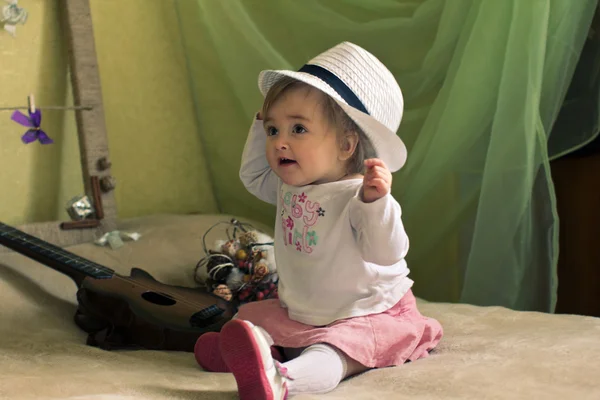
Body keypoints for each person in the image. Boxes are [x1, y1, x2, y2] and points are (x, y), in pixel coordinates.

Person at [194, 42, 443, 400]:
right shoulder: (288, 184)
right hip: (306, 308)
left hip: (366, 311)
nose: (280, 143)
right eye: (273, 130)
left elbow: (388, 252)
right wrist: (260, 121)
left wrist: (377, 204)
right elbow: (252, 175)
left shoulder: (358, 194)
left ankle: (282, 379)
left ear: (346, 145)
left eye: (297, 130)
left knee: (336, 351)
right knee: (254, 321)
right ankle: (255, 352)